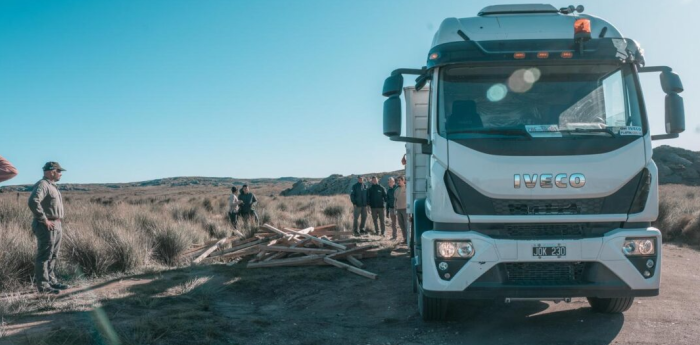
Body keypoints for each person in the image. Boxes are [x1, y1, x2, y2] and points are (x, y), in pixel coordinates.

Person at [27, 162, 69, 294]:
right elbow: (33, 201)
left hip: (56, 224)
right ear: (52, 171)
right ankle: (44, 286)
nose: (61, 173)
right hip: (46, 225)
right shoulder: (43, 184)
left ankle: (52, 281)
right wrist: (44, 219)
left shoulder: (52, 186)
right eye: (59, 171)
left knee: (53, 255)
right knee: (45, 255)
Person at [394, 176, 409, 243]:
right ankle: (405, 238)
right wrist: (395, 209)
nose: (398, 182)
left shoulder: (407, 188)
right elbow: (395, 200)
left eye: (400, 180)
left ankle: (409, 239)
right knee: (401, 224)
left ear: (403, 181)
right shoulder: (396, 190)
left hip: (406, 209)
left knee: (407, 225)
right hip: (399, 209)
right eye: (397, 180)